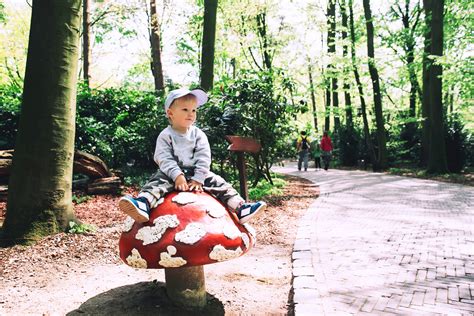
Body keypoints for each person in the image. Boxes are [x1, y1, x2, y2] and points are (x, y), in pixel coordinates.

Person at [118, 88, 267, 224]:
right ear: (170, 113)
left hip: (197, 172)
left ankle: (241, 208)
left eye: (194, 110)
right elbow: (163, 157)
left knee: (221, 184)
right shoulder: (166, 135)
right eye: (185, 109)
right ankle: (143, 203)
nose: (191, 114)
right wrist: (177, 175)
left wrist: (199, 177)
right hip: (171, 173)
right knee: (156, 183)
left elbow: (204, 156)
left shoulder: (198, 134)